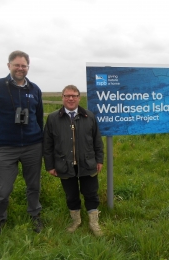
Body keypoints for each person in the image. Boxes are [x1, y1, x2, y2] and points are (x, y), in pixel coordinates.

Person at [0, 50, 44, 234]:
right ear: (9, 66)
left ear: (28, 68)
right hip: (3, 148)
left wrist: (43, 143)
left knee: (34, 185)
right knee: (3, 188)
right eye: (17, 65)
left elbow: (39, 119)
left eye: (24, 65)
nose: (20, 68)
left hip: (32, 146)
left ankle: (35, 215)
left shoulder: (34, 89)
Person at [43, 85, 104, 236]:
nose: (71, 98)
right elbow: (47, 144)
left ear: (79, 97)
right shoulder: (52, 118)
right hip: (64, 164)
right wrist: (50, 165)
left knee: (91, 193)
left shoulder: (89, 116)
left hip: (87, 163)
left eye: (74, 95)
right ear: (62, 97)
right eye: (67, 95)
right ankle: (76, 221)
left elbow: (97, 141)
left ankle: (93, 222)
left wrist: (99, 160)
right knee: (71, 195)